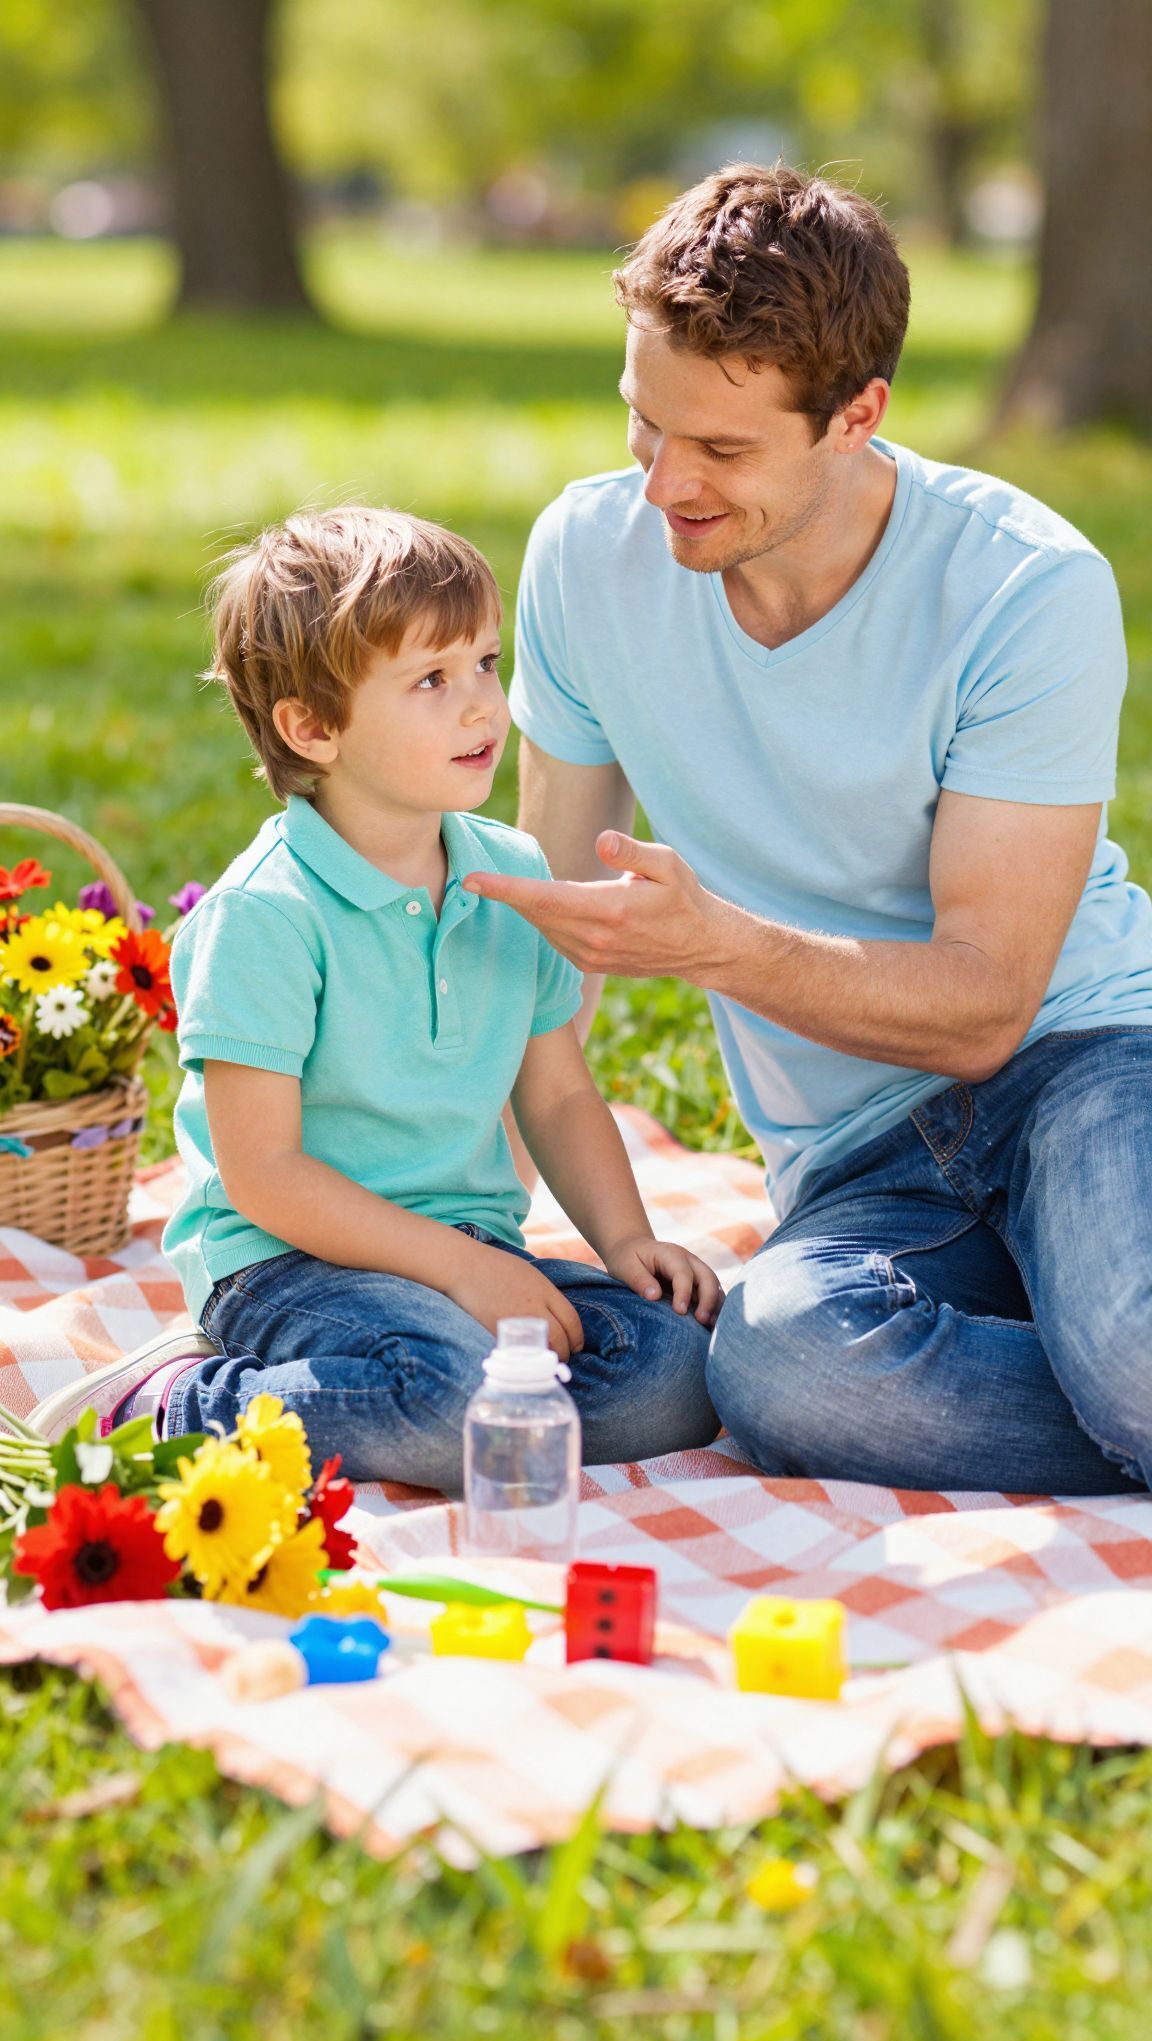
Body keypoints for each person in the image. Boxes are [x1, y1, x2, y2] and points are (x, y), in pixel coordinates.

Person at [465, 163, 1152, 1497]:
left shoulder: (1023, 588)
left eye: (722, 450)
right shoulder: (586, 561)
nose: (665, 484)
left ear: (856, 417)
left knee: (1132, 1349)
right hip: (858, 1155)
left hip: (1085, 1060)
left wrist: (714, 947)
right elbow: (553, 936)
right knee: (781, 1368)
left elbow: (985, 1011)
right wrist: (452, 1223)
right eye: (642, 426)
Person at [43, 507, 721, 1487]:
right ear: (313, 728)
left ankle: (421, 1386)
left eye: (486, 663)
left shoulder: (510, 873)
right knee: (457, 1404)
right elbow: (266, 1174)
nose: (482, 706)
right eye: (432, 680)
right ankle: (178, 1402)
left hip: (471, 1248)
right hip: (291, 1266)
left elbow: (561, 1096)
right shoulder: (267, 915)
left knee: (678, 1372)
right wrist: (457, 1271)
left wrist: (626, 1239)